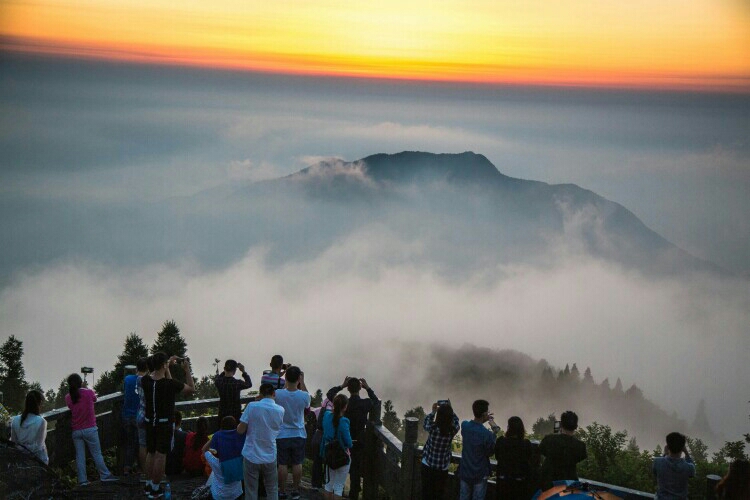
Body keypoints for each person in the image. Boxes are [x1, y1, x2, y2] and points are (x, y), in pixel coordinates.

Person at [142, 352, 195, 499]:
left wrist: (167, 366)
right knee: (160, 455)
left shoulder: (146, 381)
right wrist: (186, 370)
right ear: (163, 365)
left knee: (151, 453)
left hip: (149, 422)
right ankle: (155, 489)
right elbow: (191, 388)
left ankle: (148, 485)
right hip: (164, 424)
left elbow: (156, 374)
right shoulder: (170, 384)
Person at [326, 376, 379, 500]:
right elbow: (376, 402)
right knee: (355, 470)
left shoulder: (343, 403)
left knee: (339, 466)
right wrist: (368, 388)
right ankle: (353, 495)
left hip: (342, 440)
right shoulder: (365, 403)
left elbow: (330, 394)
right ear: (360, 388)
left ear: (348, 389)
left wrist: (341, 385)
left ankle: (338, 492)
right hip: (359, 442)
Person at [65, 373, 118, 485]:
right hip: (90, 429)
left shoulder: (68, 397)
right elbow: (95, 399)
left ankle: (82, 480)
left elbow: (71, 406)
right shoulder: (88, 392)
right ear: (81, 382)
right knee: (96, 453)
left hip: (76, 430)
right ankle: (104, 475)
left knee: (80, 456)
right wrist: (85, 387)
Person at [237, 382, 285, 500]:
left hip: (251, 454)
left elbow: (240, 430)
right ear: (274, 393)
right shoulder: (280, 410)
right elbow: (278, 431)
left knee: (251, 490)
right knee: (272, 489)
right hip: (270, 455)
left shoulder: (252, 406)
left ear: (260, 394)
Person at [274, 366, 310, 500]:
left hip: (282, 434)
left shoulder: (278, 393)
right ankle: (295, 490)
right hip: (299, 433)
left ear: (285, 378)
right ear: (299, 378)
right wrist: (302, 381)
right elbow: (308, 403)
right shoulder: (304, 395)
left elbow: (282, 392)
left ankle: (282, 491)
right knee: (297, 463)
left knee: (282, 464)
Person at [459, 399, 501, 500]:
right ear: (484, 414)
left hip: (465, 472)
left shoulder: (465, 426)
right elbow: (490, 452)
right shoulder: (487, 434)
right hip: (480, 474)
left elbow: (471, 425)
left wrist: (483, 418)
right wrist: (494, 430)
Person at [421, 401, 460, 500]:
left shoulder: (433, 428)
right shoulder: (452, 430)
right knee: (438, 494)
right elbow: (456, 421)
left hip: (428, 465)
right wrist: (451, 409)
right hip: (442, 468)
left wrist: (433, 411)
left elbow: (425, 422)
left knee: (426, 493)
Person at [538, 410, 587, 488]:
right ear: (576, 426)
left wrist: (556, 435)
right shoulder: (580, 446)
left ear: (561, 425)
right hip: (569, 484)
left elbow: (542, 450)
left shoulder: (548, 440)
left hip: (548, 484)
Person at [320, 394, 352, 499]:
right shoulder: (344, 421)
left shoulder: (327, 416)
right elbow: (348, 442)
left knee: (329, 484)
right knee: (338, 487)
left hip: (328, 453)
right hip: (341, 456)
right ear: (345, 407)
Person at [202, 416, 245, 494]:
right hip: (237, 494)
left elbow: (204, 450)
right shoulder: (242, 460)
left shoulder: (215, 462)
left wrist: (216, 435)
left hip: (218, 496)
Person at [494, 416, 533, 500]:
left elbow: (497, 457)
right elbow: (529, 460)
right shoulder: (526, 444)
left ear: (509, 428)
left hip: (503, 482)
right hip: (519, 484)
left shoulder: (501, 441)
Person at [652, 432, 696, 499]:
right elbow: (692, 472)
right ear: (682, 448)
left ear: (668, 446)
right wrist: (687, 454)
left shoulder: (657, 462)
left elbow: (656, 472)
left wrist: (665, 454)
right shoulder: (688, 467)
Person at [10, 390, 48, 464]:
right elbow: (38, 447)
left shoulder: (15, 420)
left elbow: (13, 443)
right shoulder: (41, 421)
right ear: (39, 403)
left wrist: (22, 449)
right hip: (38, 462)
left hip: (20, 461)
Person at [311, 397, 334, 490]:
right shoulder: (334, 414)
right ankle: (329, 486)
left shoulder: (319, 410)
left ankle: (316, 484)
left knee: (317, 461)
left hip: (317, 436)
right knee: (330, 462)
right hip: (329, 438)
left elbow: (311, 410)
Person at [121, 364, 140, 475]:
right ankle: (139, 467)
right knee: (139, 443)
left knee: (129, 443)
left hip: (127, 416)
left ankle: (126, 468)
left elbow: (123, 389)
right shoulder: (142, 380)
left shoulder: (127, 379)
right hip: (138, 416)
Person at [136, 357, 150, 471]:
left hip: (140, 414)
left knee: (142, 444)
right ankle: (151, 471)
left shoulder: (137, 379)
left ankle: (144, 472)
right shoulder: (147, 380)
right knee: (150, 445)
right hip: (149, 415)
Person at [166, 410, 188, 475]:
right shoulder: (185, 435)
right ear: (180, 421)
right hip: (179, 468)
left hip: (165, 467)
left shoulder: (164, 435)